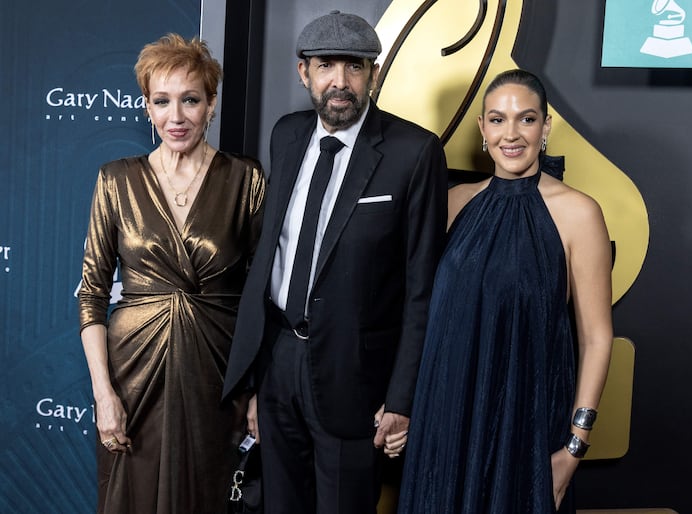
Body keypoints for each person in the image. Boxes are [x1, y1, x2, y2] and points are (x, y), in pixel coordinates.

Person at [222, 10, 448, 514]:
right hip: (279, 360)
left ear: (374, 72)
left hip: (356, 374)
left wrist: (403, 400)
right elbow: (271, 257)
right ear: (304, 72)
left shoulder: (413, 152)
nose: (340, 82)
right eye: (326, 65)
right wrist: (259, 383)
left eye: (355, 66)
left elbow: (421, 288)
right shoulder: (286, 135)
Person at [397, 69, 614, 514]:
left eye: (526, 119)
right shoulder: (455, 202)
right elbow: (421, 312)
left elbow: (596, 338)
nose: (511, 134)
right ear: (482, 129)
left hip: (526, 428)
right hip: (445, 421)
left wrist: (574, 447)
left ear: (546, 126)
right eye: (497, 120)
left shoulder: (578, 213)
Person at [78, 33, 266, 513]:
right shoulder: (115, 179)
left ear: (212, 104)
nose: (176, 116)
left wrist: (258, 390)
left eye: (190, 100)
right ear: (146, 106)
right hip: (131, 376)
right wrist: (104, 394)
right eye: (162, 101)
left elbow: (261, 294)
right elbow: (92, 293)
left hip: (217, 377)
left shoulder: (246, 180)